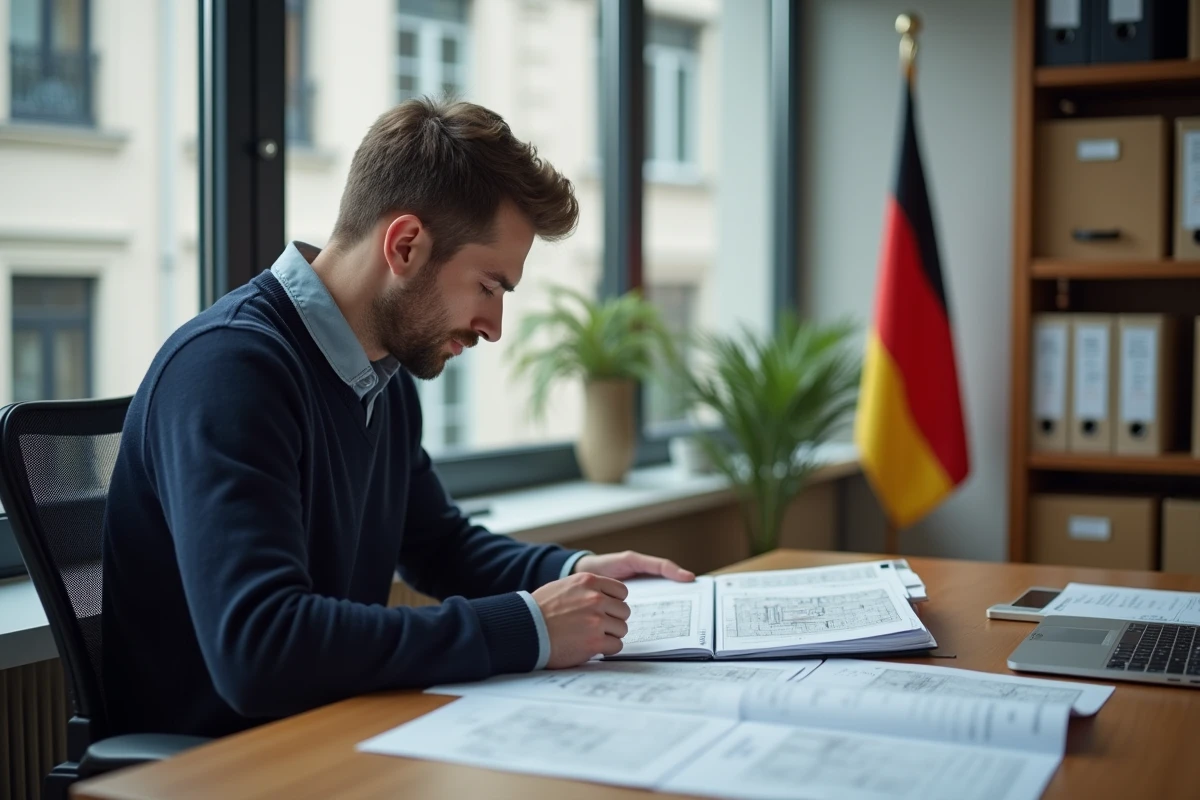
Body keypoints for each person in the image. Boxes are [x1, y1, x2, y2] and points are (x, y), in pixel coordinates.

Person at [101, 97, 695, 739]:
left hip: (336, 735)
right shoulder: (229, 369)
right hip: (221, 766)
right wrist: (525, 626)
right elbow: (260, 648)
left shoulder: (379, 374)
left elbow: (437, 544)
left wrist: (570, 573)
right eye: (490, 287)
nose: (494, 328)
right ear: (406, 244)